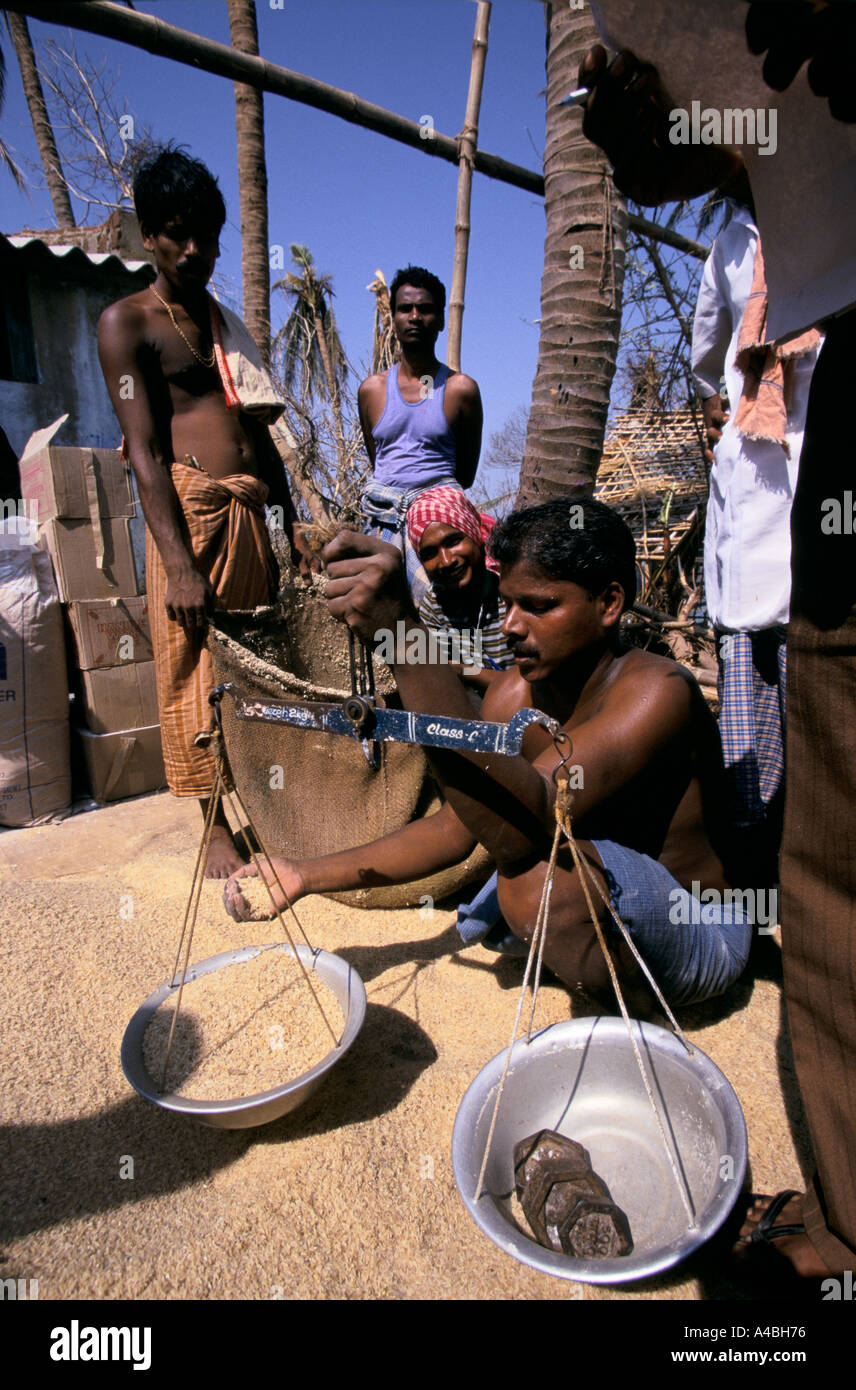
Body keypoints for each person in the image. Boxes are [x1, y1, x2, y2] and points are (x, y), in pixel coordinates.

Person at [578, 0, 856, 1280]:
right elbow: (707, 374)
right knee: (789, 805)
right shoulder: (744, 244)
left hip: (807, 510)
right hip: (768, 545)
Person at [226, 499, 752, 1018]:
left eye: (540, 606)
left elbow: (532, 816)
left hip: (698, 926)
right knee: (522, 874)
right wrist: (301, 875)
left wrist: (405, 637)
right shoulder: (513, 695)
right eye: (508, 605)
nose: (512, 627)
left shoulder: (656, 691)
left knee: (528, 882)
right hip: (608, 896)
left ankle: (628, 1009)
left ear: (609, 603)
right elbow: (455, 829)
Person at [97, 146, 306, 877]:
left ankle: (271, 803)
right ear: (148, 234)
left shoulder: (222, 323)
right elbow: (144, 452)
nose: (196, 250)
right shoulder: (128, 324)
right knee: (193, 670)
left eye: (209, 236)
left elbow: (256, 428)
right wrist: (178, 564)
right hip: (190, 515)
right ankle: (213, 823)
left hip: (248, 513)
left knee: (257, 662)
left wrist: (293, 518)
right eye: (179, 233)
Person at [691, 193, 821, 886]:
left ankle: (813, 849)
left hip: (820, 448)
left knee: (817, 650)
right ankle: (751, 856)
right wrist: (720, 403)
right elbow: (707, 346)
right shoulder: (734, 247)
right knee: (748, 653)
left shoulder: (832, 213)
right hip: (750, 460)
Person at [358, 266, 483, 602]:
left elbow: (465, 473)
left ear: (440, 320)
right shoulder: (372, 390)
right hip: (382, 513)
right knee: (377, 609)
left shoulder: (460, 390)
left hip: (438, 516)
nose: (414, 317)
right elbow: (379, 460)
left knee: (443, 610)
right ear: (393, 318)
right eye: (405, 309)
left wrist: (426, 503)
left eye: (425, 309)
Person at [404, 485, 514, 691]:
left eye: (453, 541)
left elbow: (531, 686)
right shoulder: (434, 606)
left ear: (475, 536)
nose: (445, 561)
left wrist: (461, 670)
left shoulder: (511, 594)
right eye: (429, 553)